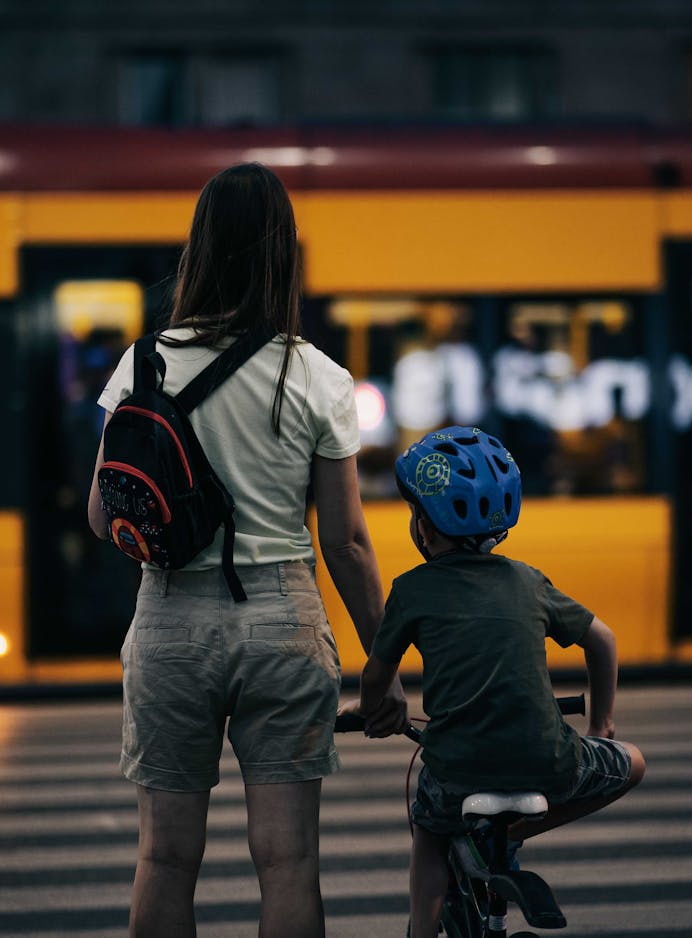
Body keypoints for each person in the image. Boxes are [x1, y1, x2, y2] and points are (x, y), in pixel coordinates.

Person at [87, 162, 407, 938]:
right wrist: (383, 668)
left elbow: (103, 516)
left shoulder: (142, 364)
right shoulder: (318, 376)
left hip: (168, 620)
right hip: (283, 621)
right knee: (290, 861)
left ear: (199, 249)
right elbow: (347, 543)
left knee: (164, 859)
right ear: (281, 256)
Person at [342, 425, 646, 938]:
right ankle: (514, 835)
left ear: (424, 526)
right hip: (550, 761)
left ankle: (421, 930)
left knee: (429, 831)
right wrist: (602, 723)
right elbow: (603, 641)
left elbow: (377, 673)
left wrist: (373, 709)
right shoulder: (530, 581)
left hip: (455, 771)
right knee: (633, 763)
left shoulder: (412, 590)